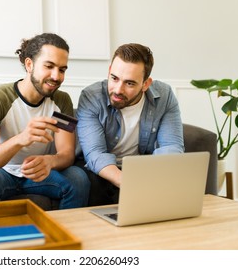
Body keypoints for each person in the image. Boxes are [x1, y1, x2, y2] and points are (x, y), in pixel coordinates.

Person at [0, 33, 90, 209]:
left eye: (62, 69)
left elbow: (66, 153)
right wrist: (21, 138)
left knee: (78, 178)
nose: (56, 76)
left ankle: (65, 234)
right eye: (49, 66)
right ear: (29, 64)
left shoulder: (62, 100)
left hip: (40, 175)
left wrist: (50, 161)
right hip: (2, 172)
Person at [76, 43, 184, 205]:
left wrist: (156, 179)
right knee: (93, 182)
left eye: (130, 83)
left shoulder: (165, 96)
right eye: (114, 78)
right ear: (109, 70)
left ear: (146, 84)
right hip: (102, 171)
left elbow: (172, 146)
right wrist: (128, 183)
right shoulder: (91, 96)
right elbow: (95, 154)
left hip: (142, 167)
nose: (118, 89)